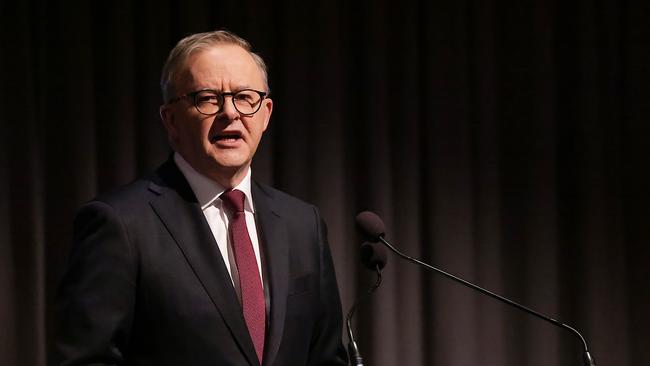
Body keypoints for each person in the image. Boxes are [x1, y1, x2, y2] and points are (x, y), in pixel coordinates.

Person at [51, 30, 348, 366]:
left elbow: (326, 356)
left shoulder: (302, 224)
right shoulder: (120, 223)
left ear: (265, 114)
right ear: (172, 119)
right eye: (207, 98)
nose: (229, 112)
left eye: (245, 97)